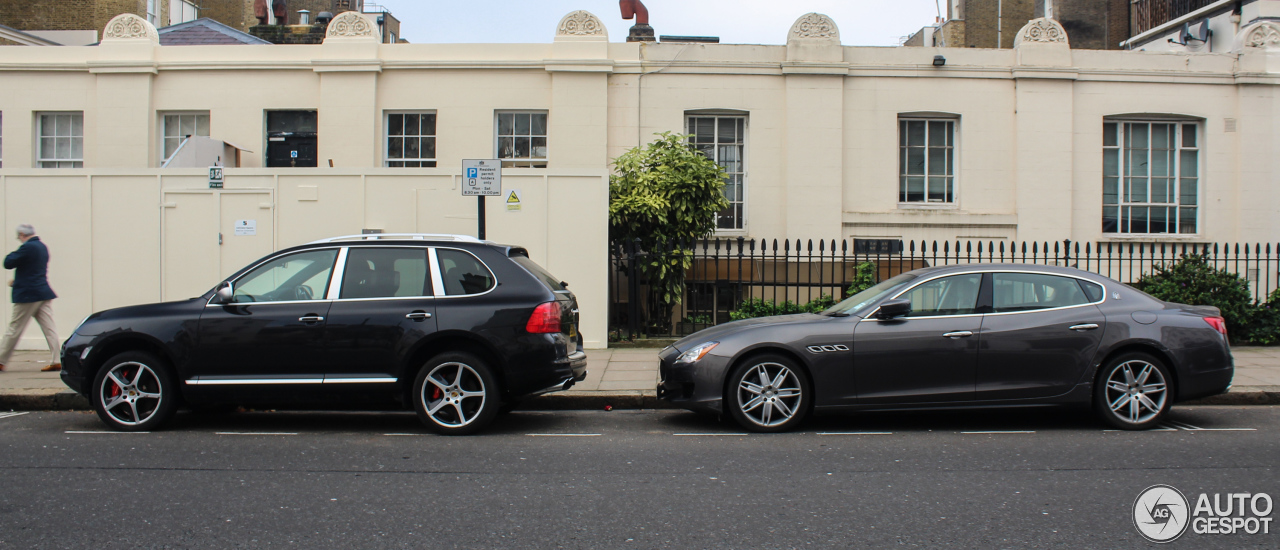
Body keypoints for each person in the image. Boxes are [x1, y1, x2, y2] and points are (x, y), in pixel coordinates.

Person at [0, 225, 60, 372]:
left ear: (21, 234)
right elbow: (32, 270)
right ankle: (57, 359)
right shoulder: (42, 247)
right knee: (49, 328)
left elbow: (8, 262)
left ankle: (1, 359)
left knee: (14, 328)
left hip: (28, 295)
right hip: (42, 292)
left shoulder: (27, 247)